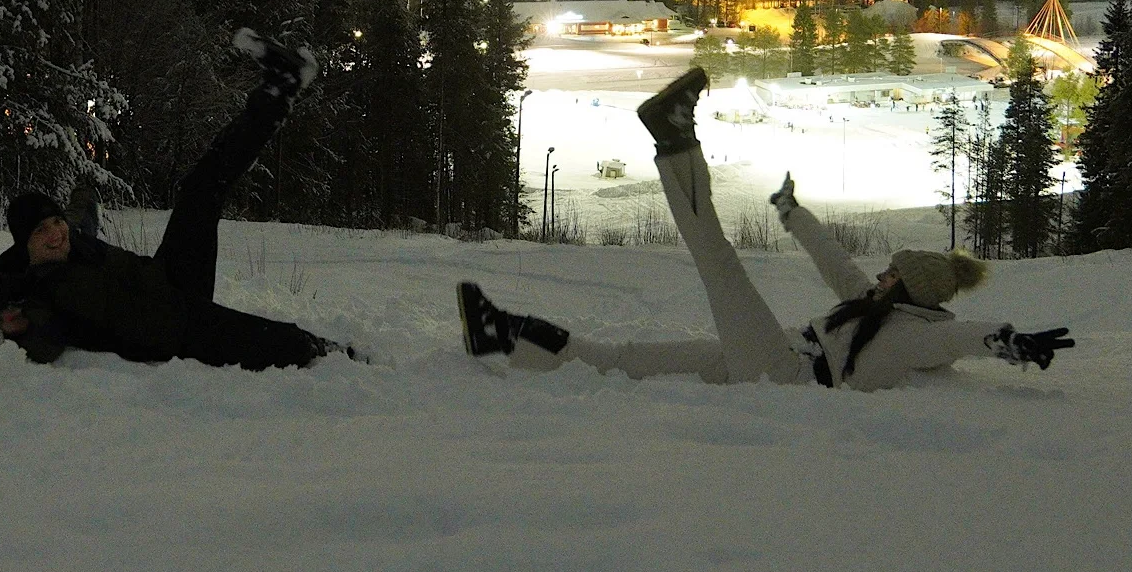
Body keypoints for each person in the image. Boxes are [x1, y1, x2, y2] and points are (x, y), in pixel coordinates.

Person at [459, 67, 1073, 391]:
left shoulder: (915, 337)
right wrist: (791, 212)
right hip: (771, 358)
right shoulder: (874, 308)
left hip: (784, 375)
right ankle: (501, 335)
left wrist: (1011, 341)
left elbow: (963, 338)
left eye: (892, 274)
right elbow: (835, 261)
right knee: (627, 361)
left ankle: (674, 137)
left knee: (719, 261)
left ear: (913, 291)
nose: (880, 276)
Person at [0, 29, 360, 370]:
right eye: (41, 231)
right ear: (24, 244)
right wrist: (19, 329)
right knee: (264, 339)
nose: (55, 233)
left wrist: (84, 190)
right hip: (171, 330)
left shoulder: (72, 239)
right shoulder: (42, 294)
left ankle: (281, 87)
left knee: (200, 187)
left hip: (167, 279)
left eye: (54, 222)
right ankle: (338, 358)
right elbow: (44, 340)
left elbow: (79, 213)